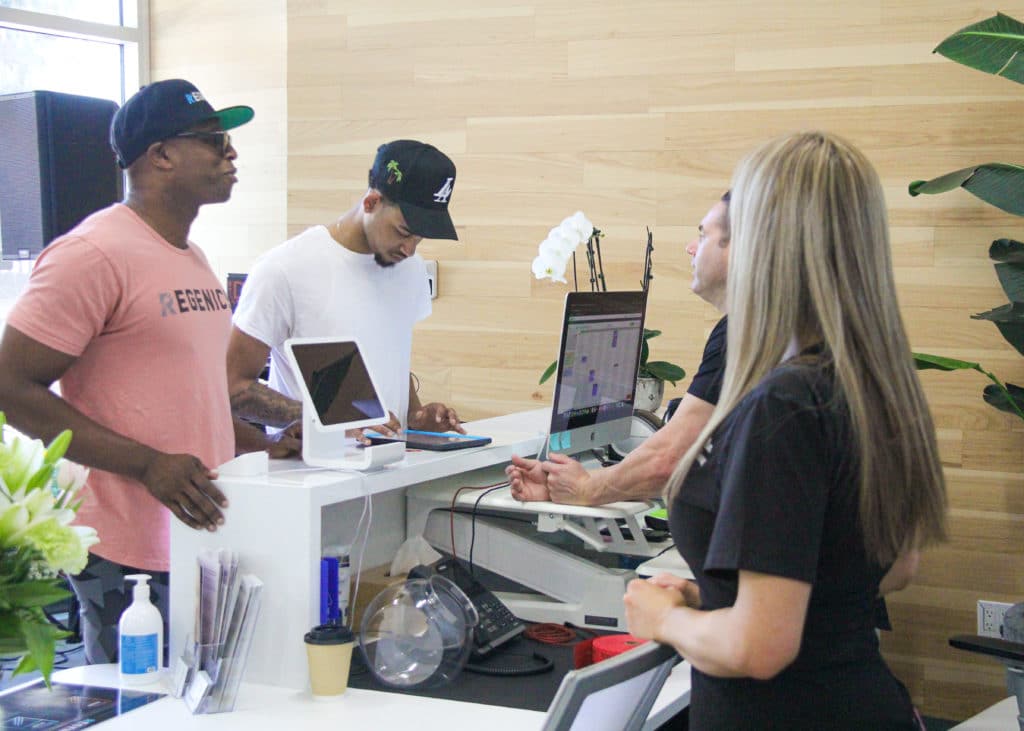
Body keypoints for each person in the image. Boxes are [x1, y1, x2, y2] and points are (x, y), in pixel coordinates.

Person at [623, 131, 947, 730]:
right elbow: (893, 568)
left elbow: (760, 649)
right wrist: (715, 600)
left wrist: (663, 620)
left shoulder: (783, 405)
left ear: (768, 244)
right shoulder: (873, 381)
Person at [0, 79, 282, 664]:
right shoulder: (92, 254)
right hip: (125, 547)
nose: (230, 155)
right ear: (160, 156)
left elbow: (186, 398)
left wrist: (266, 443)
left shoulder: (194, 259)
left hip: (201, 532)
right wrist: (148, 466)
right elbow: (10, 388)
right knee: (137, 713)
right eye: (214, 141)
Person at [506, 192, 731, 505]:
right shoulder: (740, 330)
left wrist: (589, 489)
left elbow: (668, 459)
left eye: (703, 235)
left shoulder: (741, 335)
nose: (690, 247)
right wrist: (569, 487)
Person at [227, 140, 464, 435]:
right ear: (371, 203)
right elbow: (234, 387)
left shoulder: (410, 269)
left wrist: (415, 417)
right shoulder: (284, 270)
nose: (409, 250)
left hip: (389, 471)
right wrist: (328, 420)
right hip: (306, 474)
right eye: (403, 232)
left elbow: (389, 359)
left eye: (419, 238)